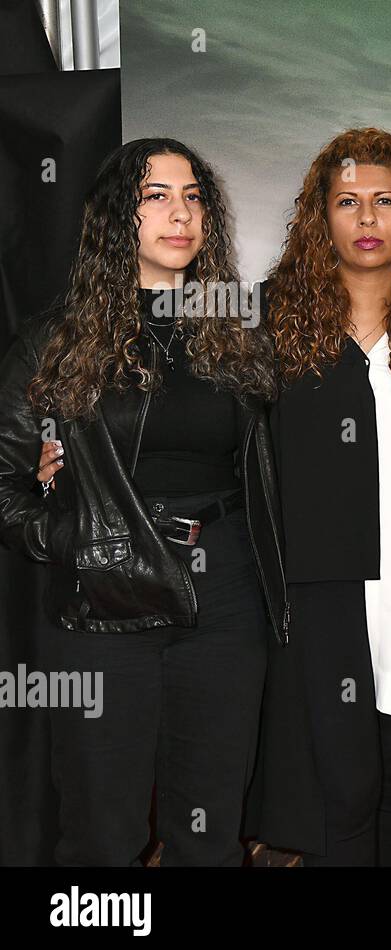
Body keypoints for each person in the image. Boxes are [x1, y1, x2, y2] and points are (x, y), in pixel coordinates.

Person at [0, 137, 285, 866]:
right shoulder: (55, 341)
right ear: (114, 218)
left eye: (192, 196)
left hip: (225, 590)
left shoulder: (237, 331)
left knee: (211, 832)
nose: (180, 213)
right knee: (103, 833)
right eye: (155, 196)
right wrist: (76, 543)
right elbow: (6, 491)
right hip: (104, 600)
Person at [246, 127, 391, 866]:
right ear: (322, 217)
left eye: (385, 201)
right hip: (323, 601)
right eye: (348, 202)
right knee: (344, 794)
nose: (368, 218)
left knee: (386, 792)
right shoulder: (269, 321)